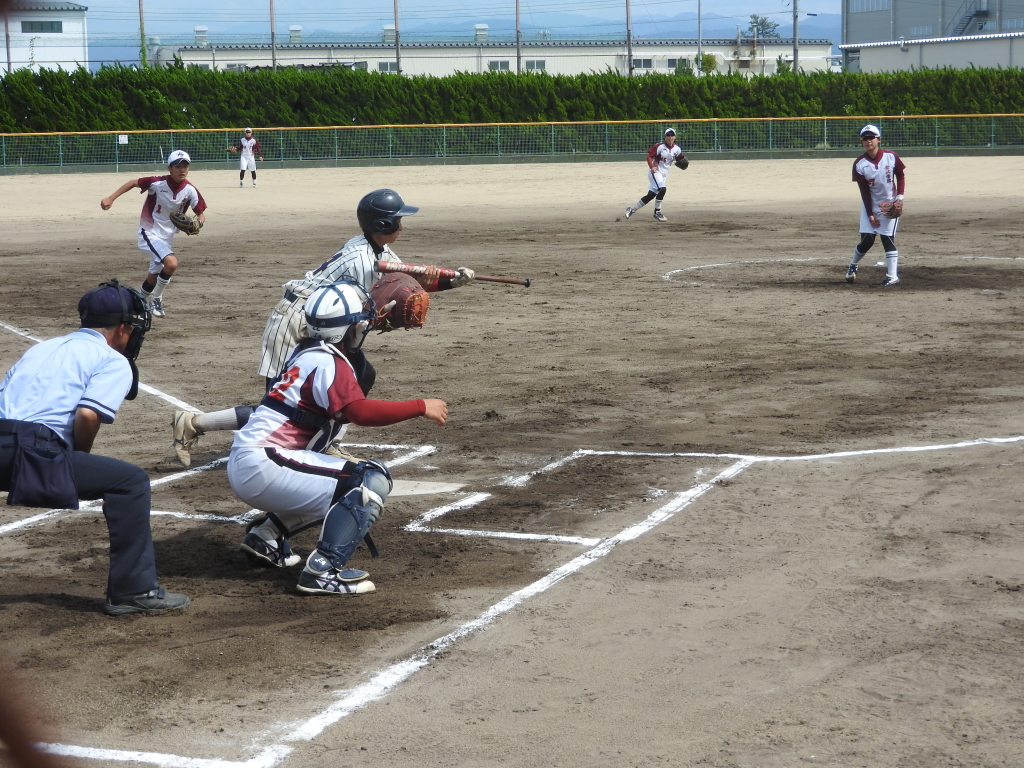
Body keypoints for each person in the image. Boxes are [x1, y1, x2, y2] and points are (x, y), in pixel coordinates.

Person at [170, 188, 474, 467]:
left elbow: (400, 281)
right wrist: (411, 297)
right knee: (279, 404)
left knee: (361, 375)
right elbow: (376, 303)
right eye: (398, 220)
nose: (402, 226)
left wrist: (450, 282)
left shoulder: (374, 247)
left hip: (324, 320)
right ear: (382, 224)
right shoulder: (361, 260)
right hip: (296, 321)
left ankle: (329, 442)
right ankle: (194, 423)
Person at [227, 280, 448, 595]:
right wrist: (419, 406)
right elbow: (361, 412)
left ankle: (266, 537)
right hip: (265, 465)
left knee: (335, 481)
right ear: (346, 329)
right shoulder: (329, 362)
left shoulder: (306, 352)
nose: (365, 324)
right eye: (360, 320)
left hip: (256, 463)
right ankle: (323, 571)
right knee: (367, 480)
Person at [0, 280, 189, 616]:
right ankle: (134, 590)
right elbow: (87, 414)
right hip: (33, 451)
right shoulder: (112, 360)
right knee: (131, 482)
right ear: (122, 328)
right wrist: (75, 459)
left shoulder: (42, 348)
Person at [100, 150, 208, 318]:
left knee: (153, 277)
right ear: (169, 168)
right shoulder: (157, 183)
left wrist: (198, 223)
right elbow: (133, 183)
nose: (182, 170)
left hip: (167, 238)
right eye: (178, 166)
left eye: (185, 166)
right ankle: (156, 299)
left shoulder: (190, 190)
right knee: (171, 263)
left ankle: (136, 306)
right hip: (148, 232)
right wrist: (111, 198)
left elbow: (201, 213)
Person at [845, 124, 906, 287]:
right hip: (870, 205)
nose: (868, 140)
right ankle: (853, 265)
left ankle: (892, 276)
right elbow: (864, 191)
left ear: (878, 139)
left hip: (890, 205)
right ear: (861, 141)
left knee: (887, 239)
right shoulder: (859, 164)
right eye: (865, 138)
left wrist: (899, 198)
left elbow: (900, 175)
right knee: (867, 241)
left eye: (871, 137)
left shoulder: (891, 157)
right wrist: (870, 214)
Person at [625, 127, 686, 223]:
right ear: (665, 137)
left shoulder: (677, 149)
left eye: (672, 135)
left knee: (651, 195)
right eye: (668, 135)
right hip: (655, 172)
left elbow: (680, 158)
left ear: (675, 137)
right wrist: (652, 167)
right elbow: (649, 156)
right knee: (663, 189)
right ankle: (657, 212)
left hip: (663, 175)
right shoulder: (660, 146)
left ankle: (631, 209)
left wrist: (683, 161)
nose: (670, 137)